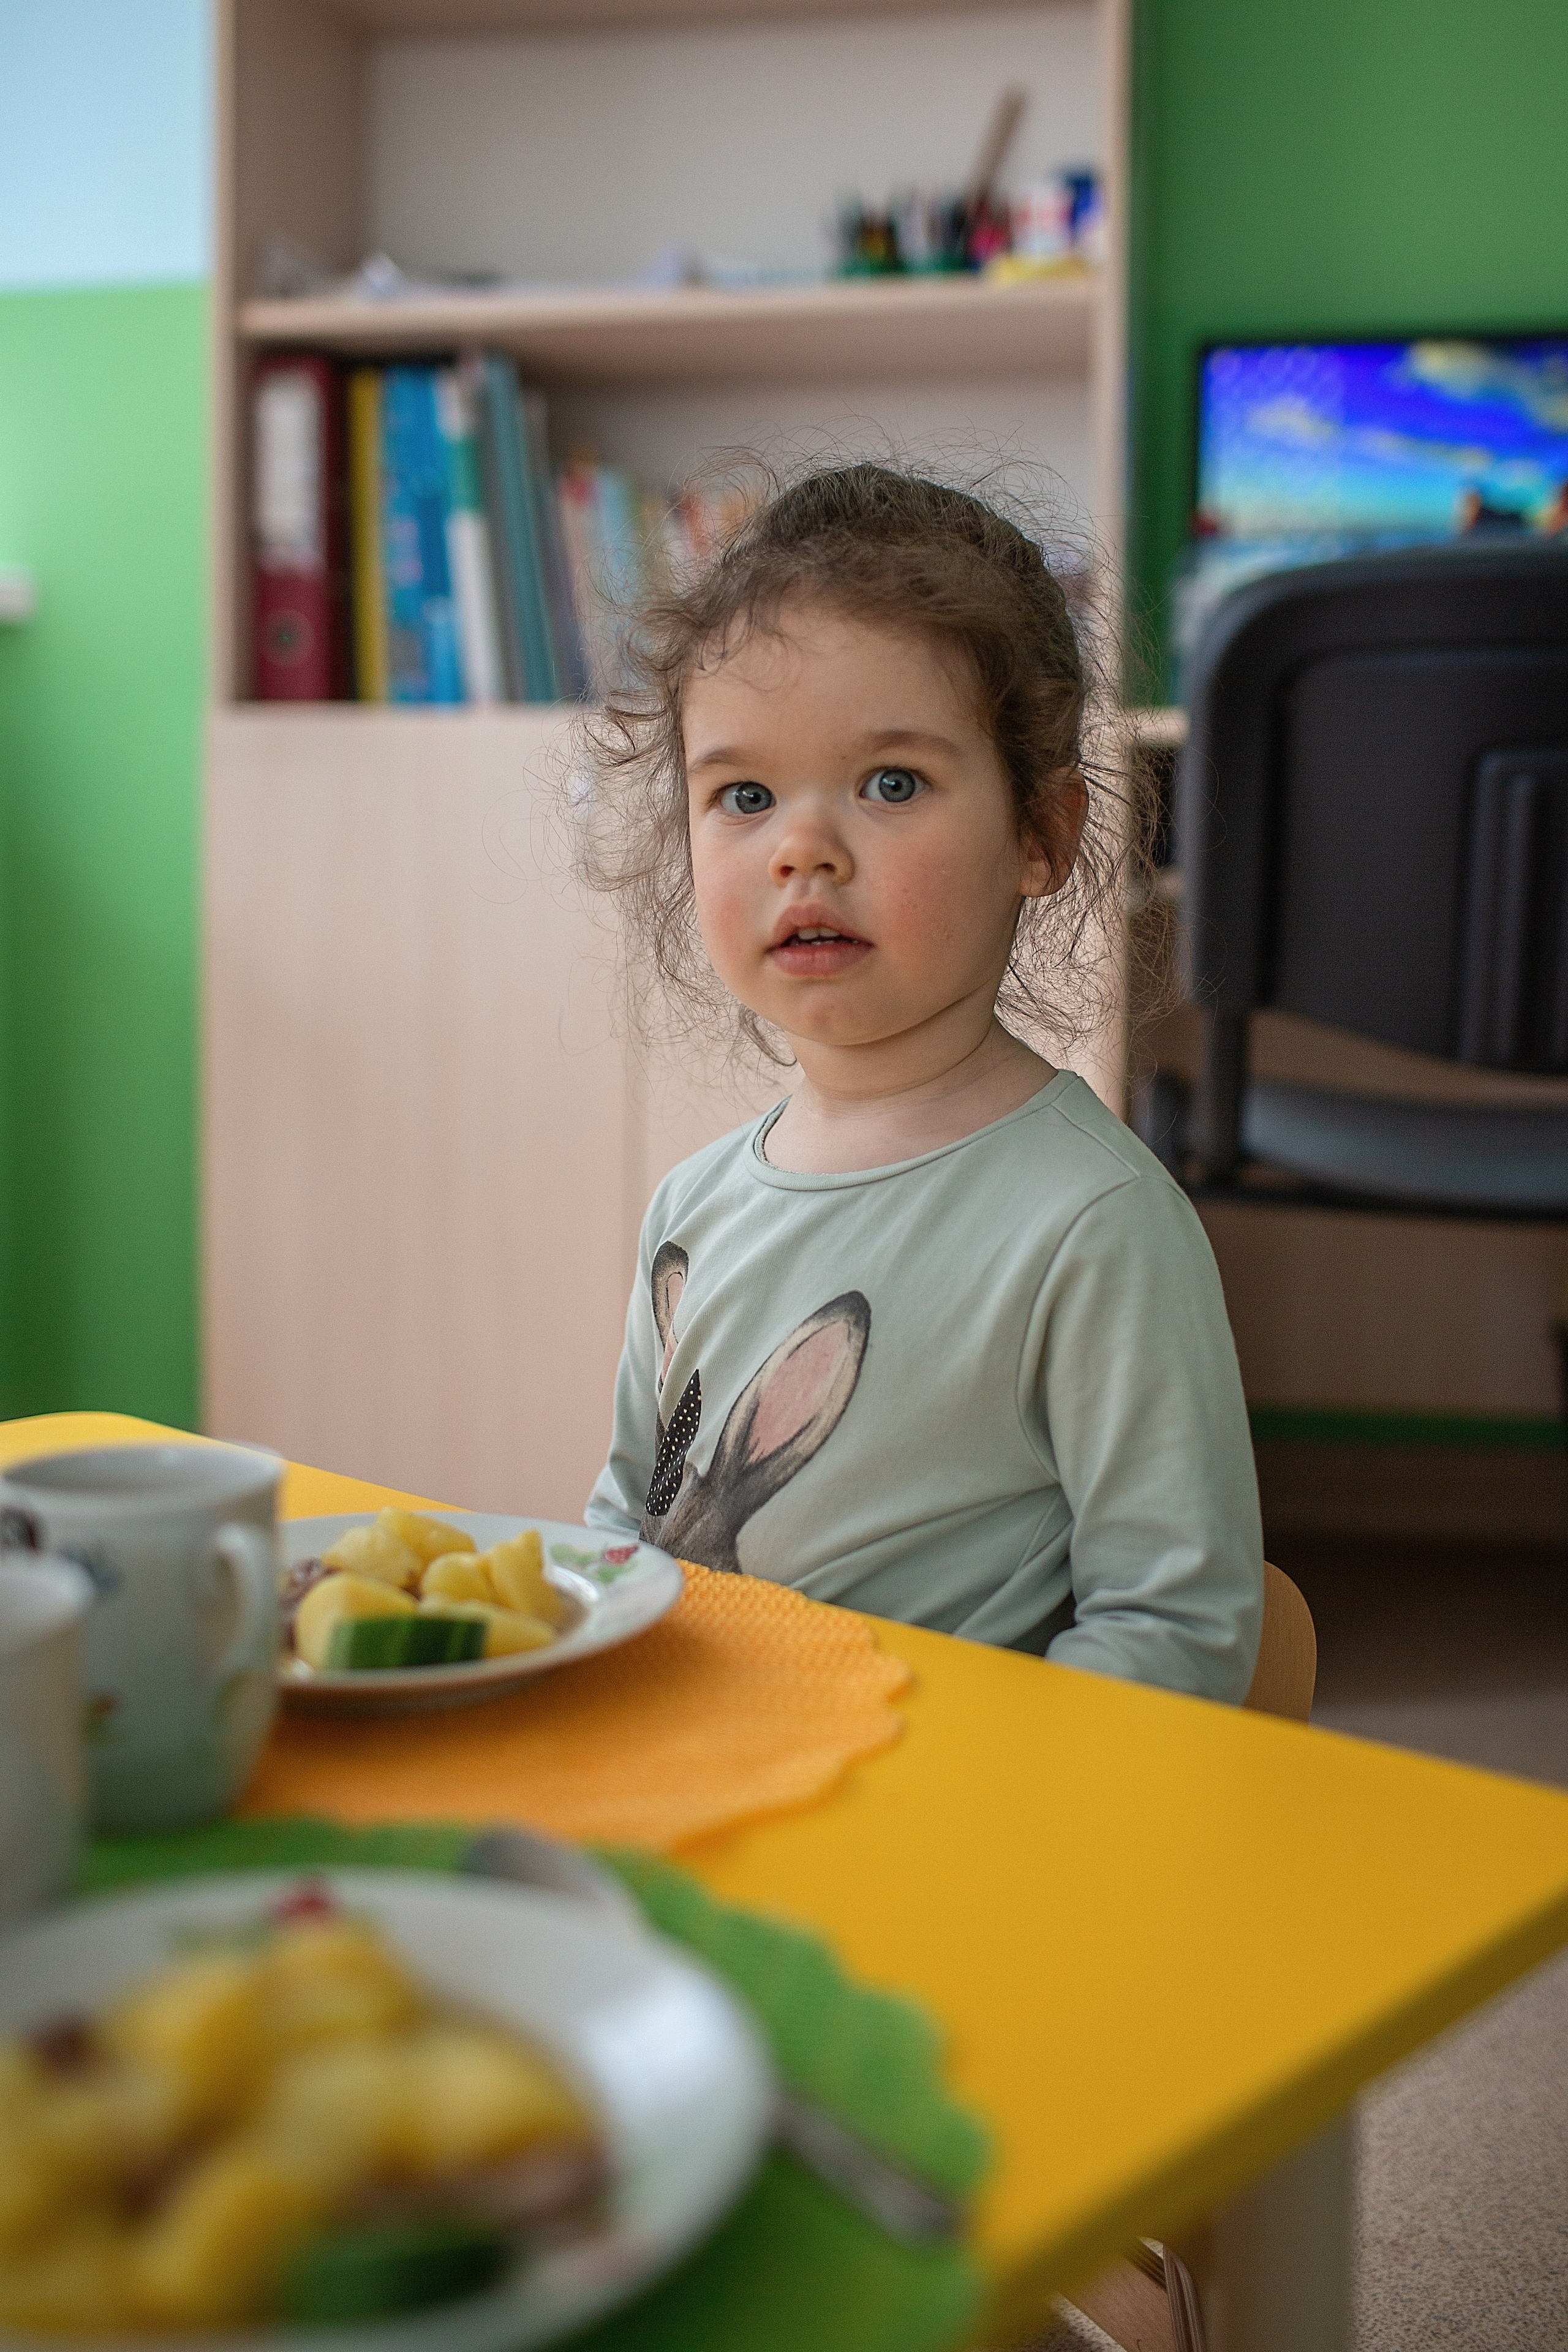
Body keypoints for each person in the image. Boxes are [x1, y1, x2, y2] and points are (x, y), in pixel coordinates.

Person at [579, 462, 1263, 1702]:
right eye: (742, 795)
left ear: (1039, 838)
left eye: (889, 784)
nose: (802, 848)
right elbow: (623, 1526)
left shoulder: (1089, 1227)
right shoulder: (690, 1208)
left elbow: (1175, 1631)